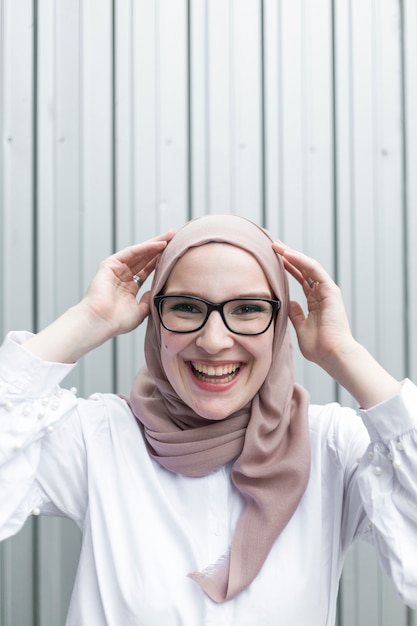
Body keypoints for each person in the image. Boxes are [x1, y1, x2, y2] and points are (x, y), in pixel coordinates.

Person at [0, 213, 416, 625]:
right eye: (185, 307)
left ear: (279, 324)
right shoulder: (100, 437)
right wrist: (89, 319)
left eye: (248, 309)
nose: (214, 341)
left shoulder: (330, 447)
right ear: (154, 319)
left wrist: (343, 353)